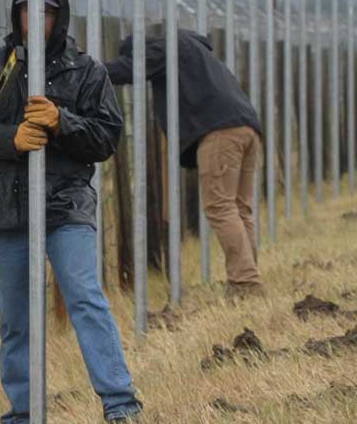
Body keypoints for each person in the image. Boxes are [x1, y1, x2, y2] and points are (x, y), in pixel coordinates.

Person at [0, 0, 143, 424]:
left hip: (66, 202)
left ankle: (121, 406)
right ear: (16, 14)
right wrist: (12, 139)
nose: (36, 20)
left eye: (46, 12)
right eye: (28, 10)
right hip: (4, 206)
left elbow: (107, 137)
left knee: (85, 297)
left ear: (59, 16)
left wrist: (60, 121)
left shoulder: (87, 71)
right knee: (15, 318)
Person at [104, 30, 264, 297]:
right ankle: (247, 276)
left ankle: (245, 282)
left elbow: (128, 69)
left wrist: (85, 68)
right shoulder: (193, 48)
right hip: (247, 127)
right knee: (240, 207)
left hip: (219, 132)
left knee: (220, 206)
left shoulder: (161, 45)